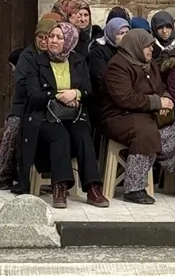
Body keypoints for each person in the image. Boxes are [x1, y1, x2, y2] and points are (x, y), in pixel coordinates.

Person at [101, 29, 175, 204]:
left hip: (147, 115)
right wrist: (158, 103)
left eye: (151, 45)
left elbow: (161, 88)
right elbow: (125, 98)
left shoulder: (150, 64)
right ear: (136, 46)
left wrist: (167, 99)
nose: (150, 49)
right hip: (119, 116)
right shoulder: (117, 66)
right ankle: (134, 188)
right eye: (147, 46)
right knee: (146, 132)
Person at [16, 21, 107, 208]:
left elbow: (89, 92)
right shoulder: (36, 61)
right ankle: (60, 186)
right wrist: (59, 96)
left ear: (70, 41)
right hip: (43, 115)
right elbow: (33, 95)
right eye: (51, 37)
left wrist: (77, 94)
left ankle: (93, 188)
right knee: (60, 135)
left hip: (73, 114)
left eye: (59, 37)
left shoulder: (78, 61)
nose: (53, 41)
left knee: (83, 134)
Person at [0, 18, 58, 192]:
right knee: (14, 129)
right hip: (24, 104)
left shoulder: (56, 56)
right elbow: (22, 82)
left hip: (48, 105)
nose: (44, 41)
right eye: (40, 37)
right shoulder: (27, 56)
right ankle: (6, 174)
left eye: (48, 37)